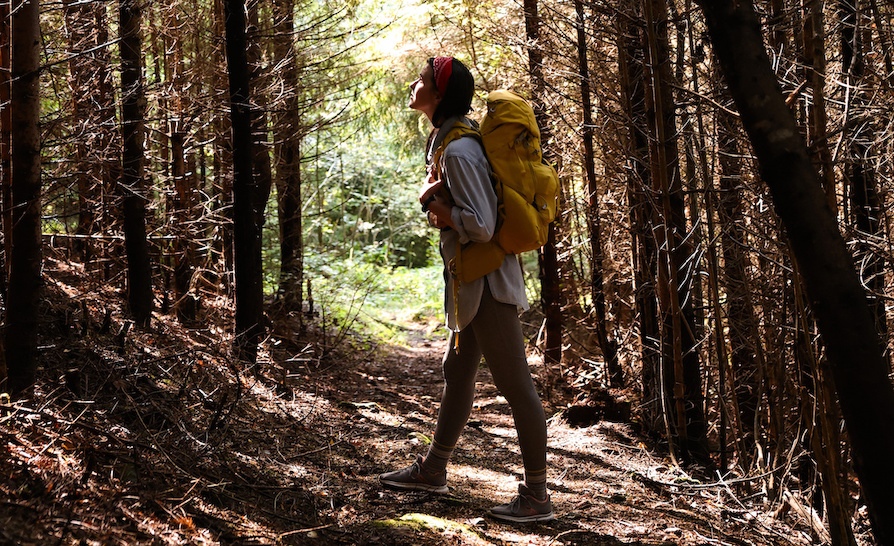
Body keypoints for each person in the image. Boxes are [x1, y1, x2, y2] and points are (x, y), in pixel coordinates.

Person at [378, 56, 554, 523]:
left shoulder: (459, 150)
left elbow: (482, 224)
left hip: (489, 283)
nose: (413, 85)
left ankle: (537, 497)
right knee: (456, 372)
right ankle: (434, 469)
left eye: (421, 80)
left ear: (438, 94)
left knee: (516, 386)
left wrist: (443, 213)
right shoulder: (448, 140)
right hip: (472, 282)